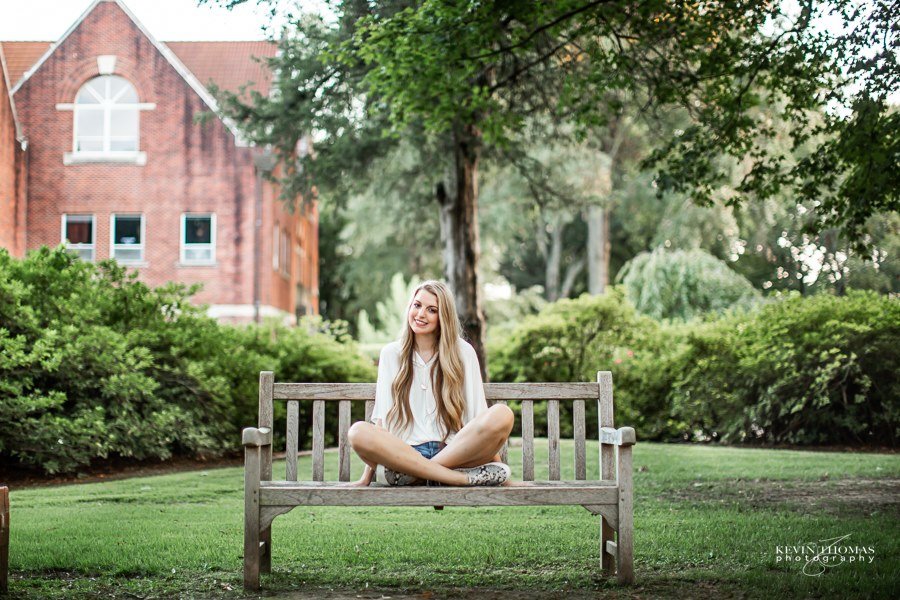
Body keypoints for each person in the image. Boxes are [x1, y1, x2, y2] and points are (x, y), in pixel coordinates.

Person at [347, 280, 514, 487]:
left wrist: (507, 481)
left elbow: (478, 418)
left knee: (502, 413)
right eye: (417, 305)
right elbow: (382, 422)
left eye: (431, 310)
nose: (420, 314)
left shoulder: (463, 353)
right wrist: (365, 479)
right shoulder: (391, 354)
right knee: (357, 432)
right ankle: (457, 478)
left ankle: (417, 474)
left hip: (454, 452)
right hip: (405, 453)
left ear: (443, 316)